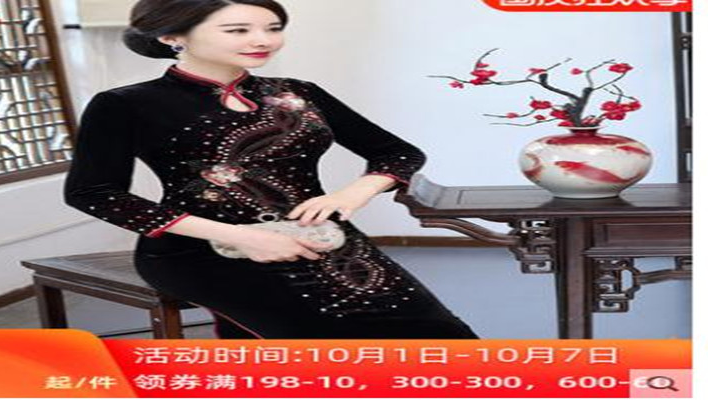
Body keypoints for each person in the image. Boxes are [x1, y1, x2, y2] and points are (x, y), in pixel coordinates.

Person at [64, 0, 478, 339]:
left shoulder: (299, 93)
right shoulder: (124, 104)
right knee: (326, 346)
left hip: (323, 239)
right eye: (238, 30)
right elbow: (93, 192)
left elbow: (398, 153)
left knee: (442, 337)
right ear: (173, 36)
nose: (263, 40)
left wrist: (352, 193)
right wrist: (240, 236)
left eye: (273, 28)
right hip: (202, 249)